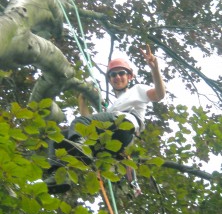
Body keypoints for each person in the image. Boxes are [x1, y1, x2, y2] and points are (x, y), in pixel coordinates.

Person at [45, 44, 166, 193]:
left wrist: (154, 68)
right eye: (113, 75)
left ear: (130, 76)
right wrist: (82, 101)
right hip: (108, 140)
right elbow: (86, 122)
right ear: (109, 79)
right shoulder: (111, 107)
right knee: (57, 138)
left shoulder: (137, 90)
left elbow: (159, 95)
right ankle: (57, 176)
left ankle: (82, 147)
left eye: (121, 73)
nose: (117, 77)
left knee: (78, 124)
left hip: (125, 126)